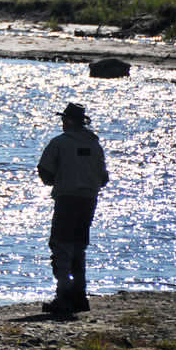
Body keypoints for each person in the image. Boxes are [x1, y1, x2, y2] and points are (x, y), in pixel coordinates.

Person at [37, 102, 109, 315]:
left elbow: (45, 171)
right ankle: (79, 296)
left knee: (61, 246)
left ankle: (64, 296)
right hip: (89, 200)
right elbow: (103, 178)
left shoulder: (60, 143)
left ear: (68, 121)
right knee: (79, 247)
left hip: (67, 198)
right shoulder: (94, 145)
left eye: (63, 119)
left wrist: (60, 178)